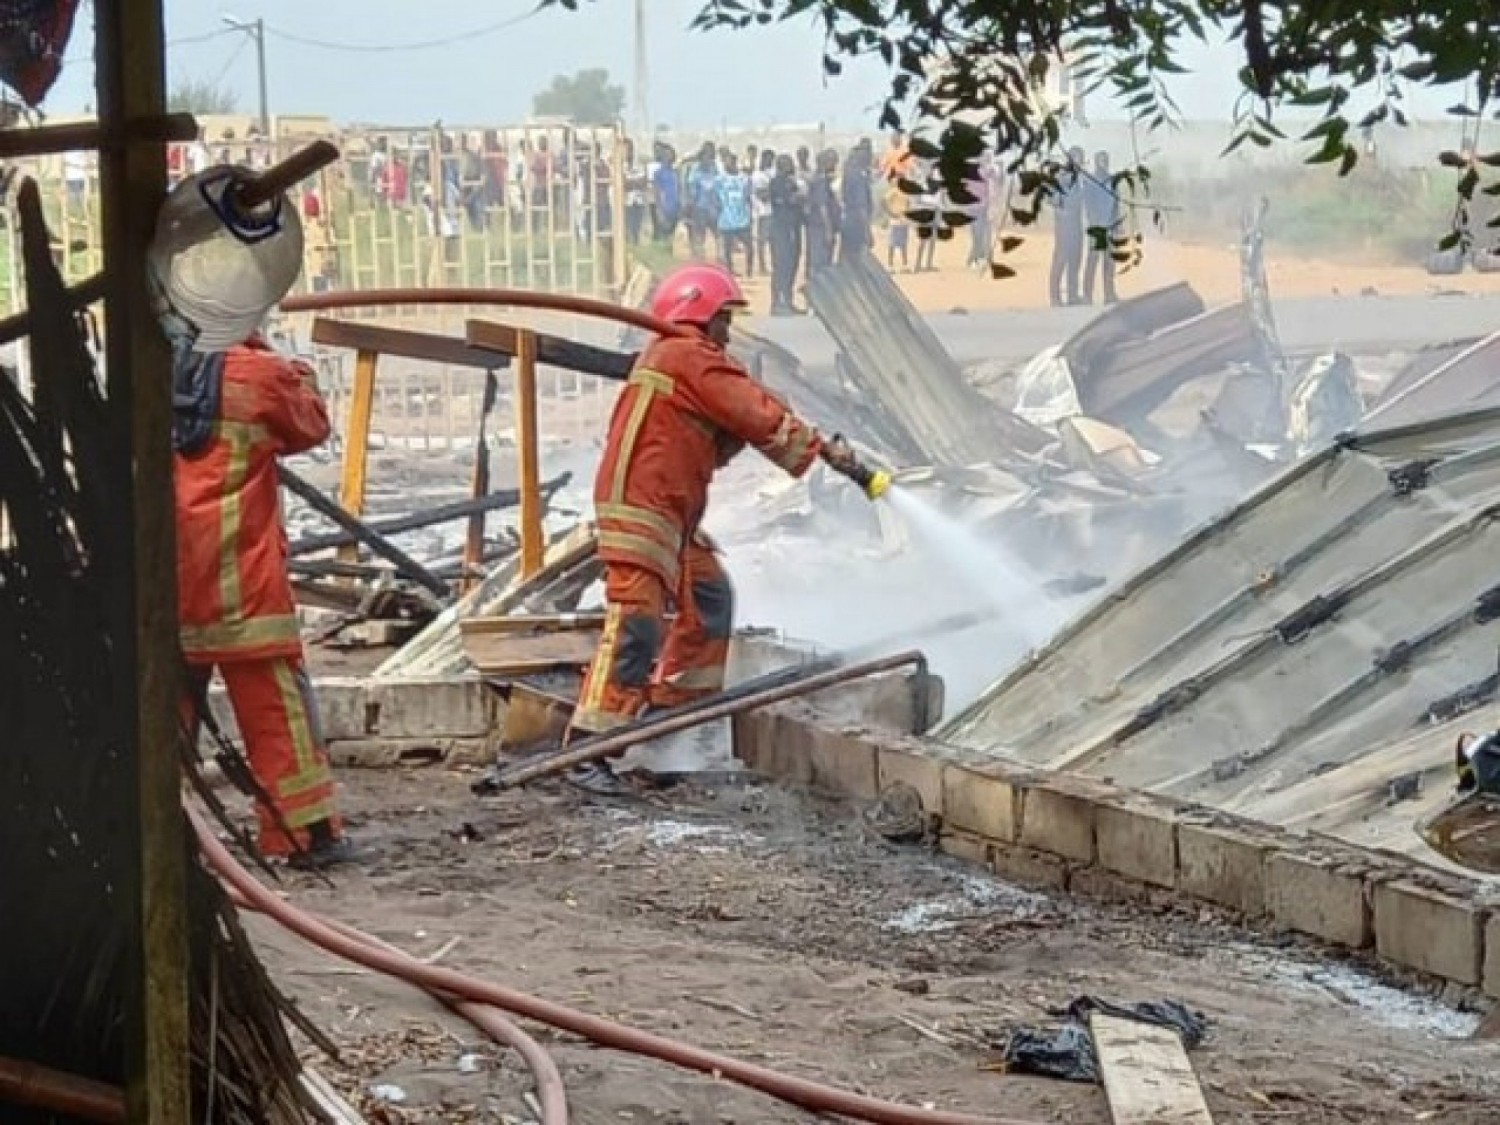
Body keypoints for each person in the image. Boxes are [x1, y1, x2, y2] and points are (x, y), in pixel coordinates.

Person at [563, 264, 867, 794]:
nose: (728, 333)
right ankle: (587, 748)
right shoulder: (685, 354)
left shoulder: (680, 360)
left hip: (670, 515)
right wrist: (815, 445)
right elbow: (752, 411)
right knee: (636, 623)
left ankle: (669, 724)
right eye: (724, 320)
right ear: (698, 317)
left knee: (708, 599)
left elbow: (725, 429)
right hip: (645, 511)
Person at [174, 333, 352, 868]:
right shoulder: (258, 376)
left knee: (163, 720)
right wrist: (279, 355)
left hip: (164, 587)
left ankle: (161, 830)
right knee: (278, 715)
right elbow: (312, 423)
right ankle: (303, 835)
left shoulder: (141, 367)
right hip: (243, 588)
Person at [1081, 149, 1121, 305]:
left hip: (1110, 225)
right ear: (1096, 161)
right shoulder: (1091, 181)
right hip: (1097, 227)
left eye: (1105, 160)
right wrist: (1094, 222)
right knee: (1093, 261)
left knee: (1109, 262)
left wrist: (1117, 223)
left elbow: (1116, 204)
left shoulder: (1112, 180)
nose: (1103, 163)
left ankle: (1109, 294)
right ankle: (1087, 295)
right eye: (1100, 160)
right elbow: (1088, 204)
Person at [767, 153, 805, 315]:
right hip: (780, 229)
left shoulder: (792, 182)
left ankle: (788, 301)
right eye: (788, 164)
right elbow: (787, 200)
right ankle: (776, 302)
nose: (792, 166)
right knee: (780, 265)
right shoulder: (776, 183)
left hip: (793, 228)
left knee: (792, 265)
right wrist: (797, 198)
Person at [1048, 147, 1086, 307]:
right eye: (1075, 158)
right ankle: (1055, 297)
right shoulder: (1062, 177)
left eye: (1080, 158)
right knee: (1060, 260)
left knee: (1075, 260)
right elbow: (1052, 199)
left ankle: (1072, 296)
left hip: (1077, 223)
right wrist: (1061, 212)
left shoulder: (1081, 178)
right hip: (1064, 224)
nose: (1078, 161)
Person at [715, 152, 754, 275]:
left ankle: (749, 270)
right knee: (727, 248)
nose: (728, 164)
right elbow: (715, 198)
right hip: (726, 218)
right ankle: (730, 270)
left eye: (731, 161)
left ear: (735, 162)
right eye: (726, 162)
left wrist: (750, 214)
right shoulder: (719, 179)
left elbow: (748, 198)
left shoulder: (744, 179)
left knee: (749, 246)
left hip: (742, 217)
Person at [805, 148, 841, 273]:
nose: (835, 165)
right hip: (820, 227)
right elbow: (822, 207)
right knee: (821, 263)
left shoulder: (821, 179)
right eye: (834, 162)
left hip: (818, 226)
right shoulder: (820, 181)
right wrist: (828, 229)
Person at [838, 140, 875, 263]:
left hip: (848, 219)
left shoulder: (848, 173)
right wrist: (867, 231)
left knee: (846, 256)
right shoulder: (859, 177)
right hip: (857, 223)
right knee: (856, 259)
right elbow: (861, 207)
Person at [684, 143, 720, 259]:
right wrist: (690, 206)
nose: (708, 159)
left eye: (710, 156)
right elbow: (691, 189)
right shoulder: (695, 170)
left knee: (719, 236)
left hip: (714, 207)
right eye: (706, 156)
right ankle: (699, 261)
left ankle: (722, 262)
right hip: (700, 208)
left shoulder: (714, 168)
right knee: (700, 236)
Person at [650, 141, 681, 245]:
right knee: (664, 237)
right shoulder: (658, 173)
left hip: (676, 209)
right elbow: (657, 192)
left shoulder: (675, 172)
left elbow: (679, 189)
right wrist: (659, 211)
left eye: (671, 155)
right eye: (667, 155)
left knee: (673, 238)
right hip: (665, 208)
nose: (669, 157)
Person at [751, 148, 776, 275]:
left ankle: (773, 265)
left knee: (774, 241)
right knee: (762, 241)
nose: (771, 161)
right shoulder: (757, 175)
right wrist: (775, 191)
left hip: (774, 212)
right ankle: (762, 266)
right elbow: (763, 196)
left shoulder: (774, 172)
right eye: (768, 159)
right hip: (763, 212)